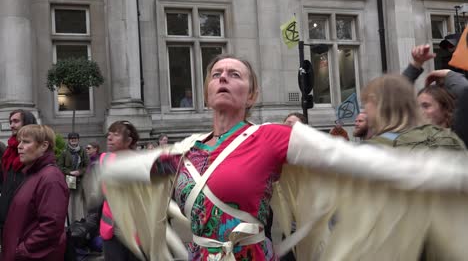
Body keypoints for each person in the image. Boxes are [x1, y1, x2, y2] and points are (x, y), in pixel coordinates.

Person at [99, 55, 468, 260]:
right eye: (216, 74)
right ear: (207, 91)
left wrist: (448, 176)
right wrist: (101, 178)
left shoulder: (271, 138)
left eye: (235, 74)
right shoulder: (187, 150)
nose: (224, 77)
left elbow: (359, 163)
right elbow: (138, 171)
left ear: (252, 94)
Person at [1, 124, 69, 260]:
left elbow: (51, 226)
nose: (19, 146)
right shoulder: (33, 174)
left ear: (44, 146)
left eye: (26, 142)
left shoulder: (51, 178)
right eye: (20, 141)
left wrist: (22, 250)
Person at [100, 121, 140, 261]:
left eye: (116, 134)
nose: (109, 138)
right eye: (109, 134)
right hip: (110, 232)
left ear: (129, 140)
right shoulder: (104, 159)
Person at [0, 109, 37, 229]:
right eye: (10, 122)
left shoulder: (36, 155)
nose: (11, 125)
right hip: (7, 216)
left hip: (26, 222)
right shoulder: (8, 150)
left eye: (16, 121)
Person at [58, 132, 90, 222]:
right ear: (69, 140)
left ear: (78, 140)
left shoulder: (82, 151)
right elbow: (60, 167)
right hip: (70, 179)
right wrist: (70, 172)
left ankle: (80, 221)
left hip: (80, 179)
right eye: (71, 139)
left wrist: (79, 172)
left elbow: (87, 165)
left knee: (79, 202)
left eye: (75, 139)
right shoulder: (64, 152)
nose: (73, 140)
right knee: (70, 202)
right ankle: (71, 222)